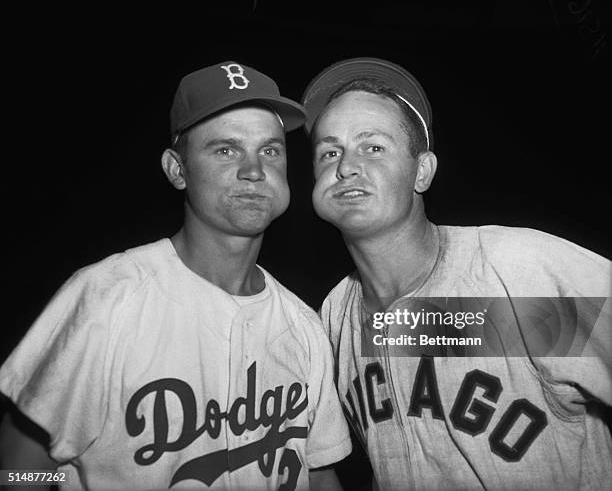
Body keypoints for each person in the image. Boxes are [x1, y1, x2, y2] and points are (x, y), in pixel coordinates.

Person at [0, 61, 351, 490]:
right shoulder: (109, 295)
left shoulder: (303, 325)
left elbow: (318, 473)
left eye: (270, 150)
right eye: (226, 150)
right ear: (177, 169)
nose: (254, 170)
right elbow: (18, 463)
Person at [301, 57, 611, 490]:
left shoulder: (514, 275)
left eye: (373, 147)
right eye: (329, 151)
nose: (346, 166)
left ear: (421, 171)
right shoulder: (336, 315)